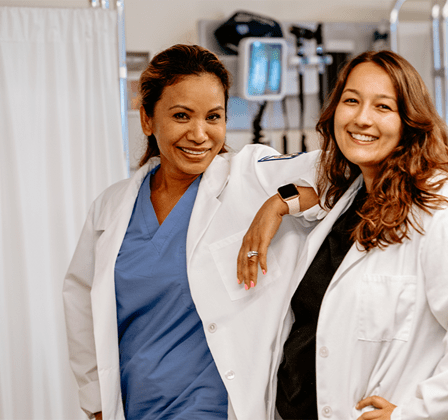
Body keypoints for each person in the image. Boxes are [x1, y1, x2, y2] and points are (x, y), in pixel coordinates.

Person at [238, 50, 448, 420]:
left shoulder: (443, 205)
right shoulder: (348, 198)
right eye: (351, 101)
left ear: (409, 121)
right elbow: (315, 182)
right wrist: (278, 202)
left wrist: (418, 415)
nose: (362, 118)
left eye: (383, 107)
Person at [63, 44, 321, 420]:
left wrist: (277, 204)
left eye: (213, 117)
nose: (199, 134)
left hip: (217, 409)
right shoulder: (112, 206)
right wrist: (97, 405)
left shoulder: (249, 176)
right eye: (181, 116)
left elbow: (341, 175)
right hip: (135, 408)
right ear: (148, 120)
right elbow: (82, 306)